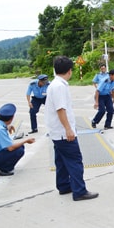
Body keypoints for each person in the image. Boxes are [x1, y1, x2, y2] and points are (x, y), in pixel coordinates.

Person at [44, 55, 98, 201]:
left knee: (61, 160)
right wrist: (68, 129)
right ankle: (79, 191)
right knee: (75, 160)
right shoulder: (60, 87)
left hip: (56, 132)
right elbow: (61, 110)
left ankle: (63, 185)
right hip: (62, 132)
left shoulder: (53, 84)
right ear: (69, 71)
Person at [0, 103, 36, 176]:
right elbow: (10, 148)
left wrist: (7, 128)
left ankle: (0, 166)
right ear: (12, 118)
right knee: (19, 150)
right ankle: (1, 169)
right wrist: (25, 141)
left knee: (19, 147)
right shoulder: (0, 130)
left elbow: (1, 130)